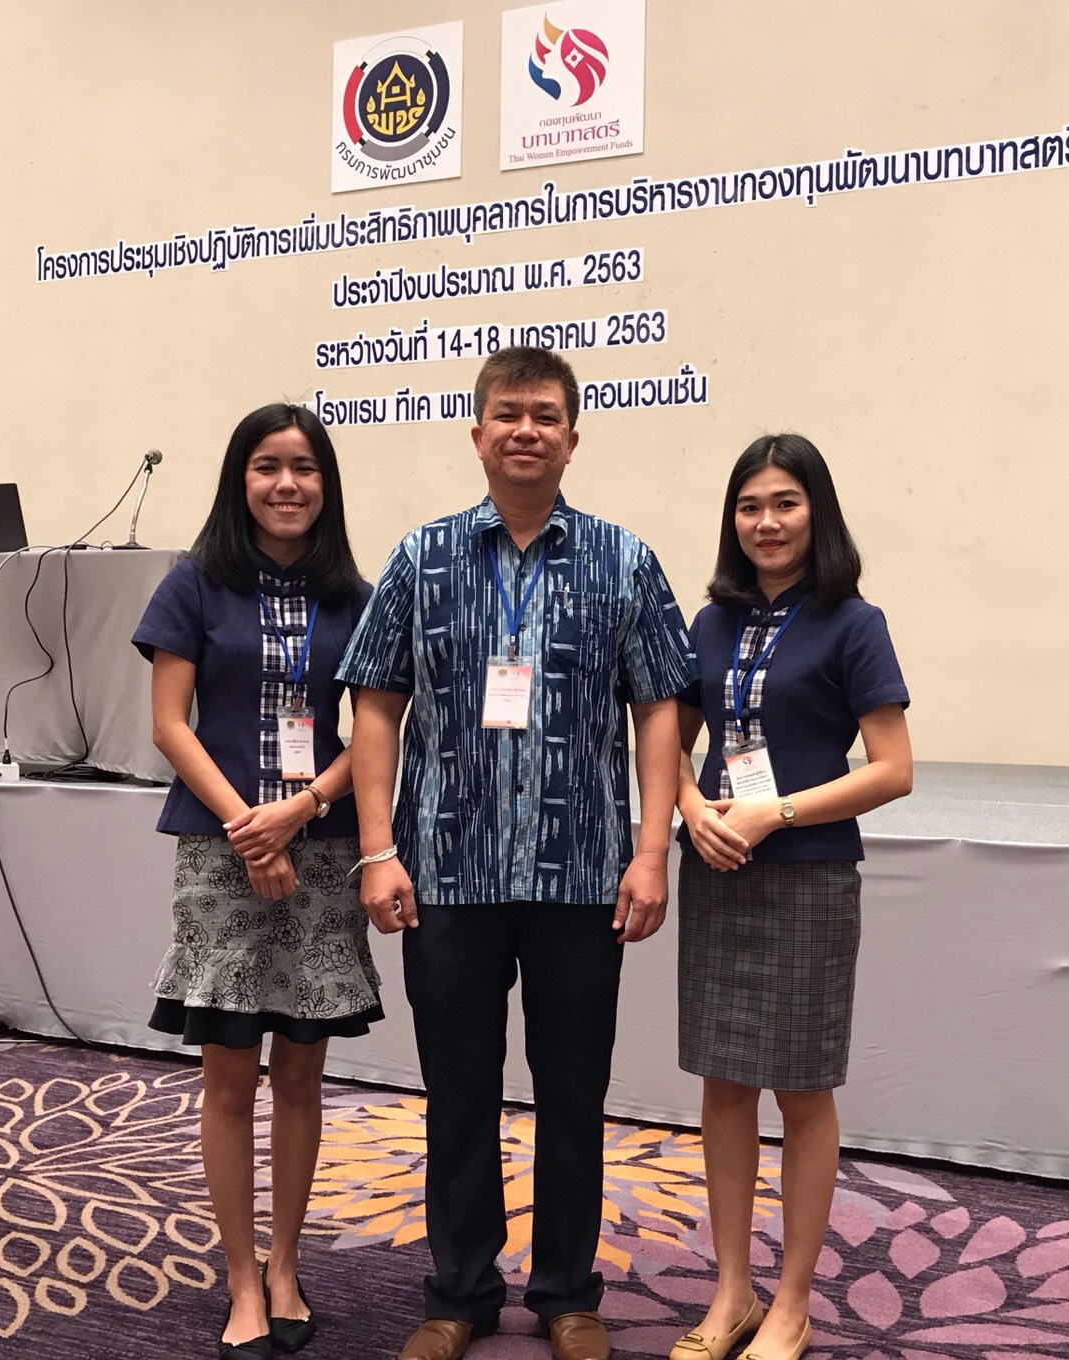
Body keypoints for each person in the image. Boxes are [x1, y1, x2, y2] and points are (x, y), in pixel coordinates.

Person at [337, 347, 694, 1360]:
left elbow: (659, 710)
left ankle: (568, 1293)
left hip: (582, 874)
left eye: (544, 415)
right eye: (507, 413)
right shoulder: (422, 557)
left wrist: (652, 852)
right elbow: (377, 706)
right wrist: (377, 849)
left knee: (573, 1092)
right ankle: (458, 1294)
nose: (524, 430)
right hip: (447, 871)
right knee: (457, 1090)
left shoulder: (624, 559)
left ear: (572, 438)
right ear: (478, 432)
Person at [132, 403, 383, 1360]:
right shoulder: (196, 583)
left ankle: (286, 1263)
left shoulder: (354, 595)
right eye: (268, 466)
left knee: (303, 1076)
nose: (288, 484)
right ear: (241, 480)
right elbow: (170, 723)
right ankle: (241, 1275)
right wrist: (251, 825)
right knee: (230, 1076)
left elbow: (374, 732)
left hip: (318, 854)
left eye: (305, 467)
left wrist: (299, 811)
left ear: (327, 483)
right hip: (221, 852)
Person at [672, 434, 912, 1360]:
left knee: (802, 1089)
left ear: (818, 512)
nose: (765, 522)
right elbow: (669, 741)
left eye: (785, 503)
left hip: (808, 874)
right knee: (724, 1083)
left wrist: (774, 813)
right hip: (719, 870)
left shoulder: (854, 622)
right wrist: (691, 806)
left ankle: (793, 1303)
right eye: (749, 506)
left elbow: (892, 769)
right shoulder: (711, 622)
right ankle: (732, 1291)